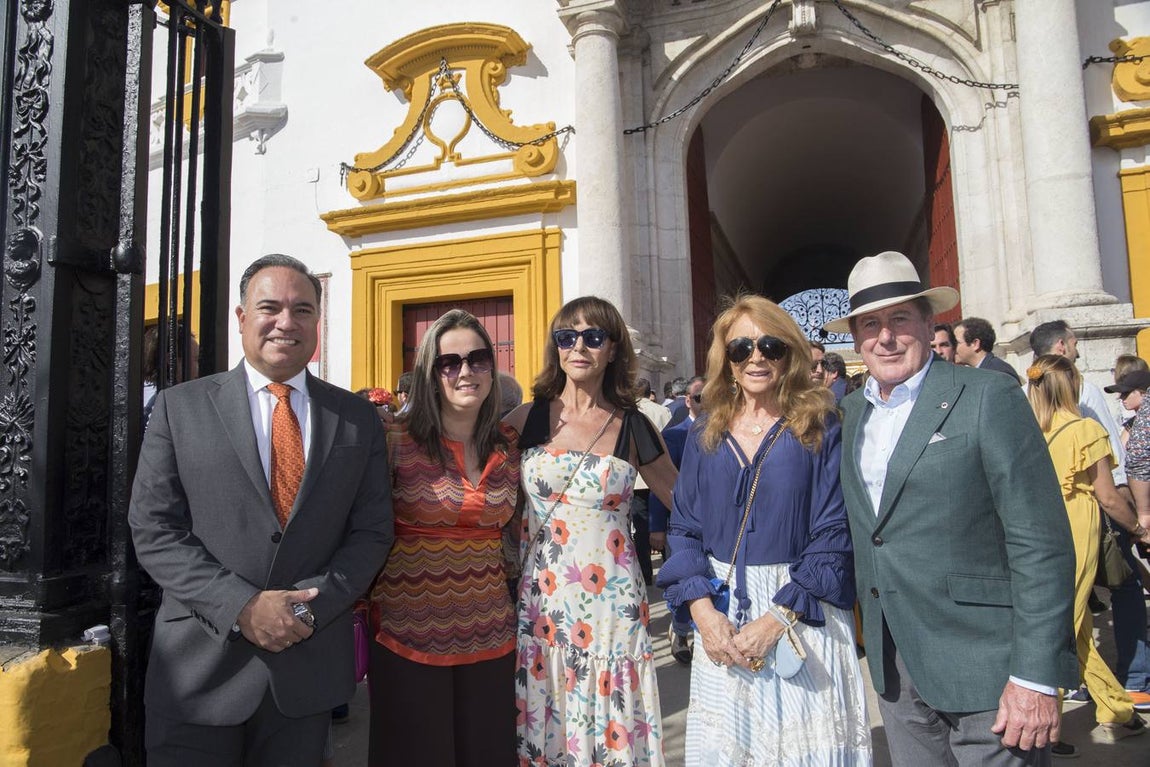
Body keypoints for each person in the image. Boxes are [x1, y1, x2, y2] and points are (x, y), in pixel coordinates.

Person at [128, 254, 394, 766]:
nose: (286, 322)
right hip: (198, 675)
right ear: (241, 316)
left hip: (303, 679)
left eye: (303, 310)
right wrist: (243, 607)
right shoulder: (179, 408)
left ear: (318, 321)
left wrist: (304, 609)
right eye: (269, 307)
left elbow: (372, 533)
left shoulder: (356, 418)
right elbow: (154, 529)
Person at [826, 250, 1077, 765]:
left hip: (989, 666)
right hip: (895, 665)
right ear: (855, 338)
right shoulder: (847, 414)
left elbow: (1040, 541)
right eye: (870, 324)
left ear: (927, 321)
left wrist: (1034, 674)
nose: (885, 337)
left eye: (899, 319)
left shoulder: (987, 395)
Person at [657, 295, 870, 765]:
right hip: (723, 612)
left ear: (789, 353)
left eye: (769, 346)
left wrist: (776, 620)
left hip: (799, 611)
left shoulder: (822, 424)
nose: (756, 357)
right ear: (725, 361)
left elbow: (835, 529)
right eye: (741, 348)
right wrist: (703, 614)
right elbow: (685, 527)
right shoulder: (704, 431)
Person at [505, 296, 677, 767]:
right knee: (550, 713)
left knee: (609, 721)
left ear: (613, 349)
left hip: (614, 607)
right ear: (555, 348)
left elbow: (685, 504)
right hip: (544, 602)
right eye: (567, 336)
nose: (578, 346)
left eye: (593, 336)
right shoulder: (526, 420)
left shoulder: (634, 425)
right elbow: (485, 502)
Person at [366, 310, 520, 766]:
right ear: (430, 374)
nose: (465, 371)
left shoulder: (509, 444)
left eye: (477, 359)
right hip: (407, 635)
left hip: (493, 633)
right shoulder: (393, 439)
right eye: (449, 362)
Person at [1026, 355, 1149, 741]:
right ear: (1071, 386)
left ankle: (1115, 706)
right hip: (1078, 527)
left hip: (1039, 528)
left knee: (1075, 626)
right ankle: (1049, 725)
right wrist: (1136, 527)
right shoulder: (1086, 430)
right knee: (1066, 625)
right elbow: (1108, 497)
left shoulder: (1029, 431)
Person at [650, 375, 705, 666]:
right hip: (680, 526)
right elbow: (658, 483)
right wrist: (656, 526)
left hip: (716, 527)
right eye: (698, 398)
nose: (704, 403)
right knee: (682, 579)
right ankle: (680, 629)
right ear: (687, 401)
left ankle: (701, 634)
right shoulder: (673, 436)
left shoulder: (729, 434)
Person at [633, 378, 673, 586]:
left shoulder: (628, 412)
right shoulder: (662, 411)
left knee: (640, 529)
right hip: (659, 476)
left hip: (638, 482)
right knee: (664, 526)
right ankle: (669, 570)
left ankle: (645, 573)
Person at [953, 317, 1021, 384]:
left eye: (956, 343)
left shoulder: (998, 373)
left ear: (975, 344)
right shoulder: (978, 372)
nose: (952, 347)